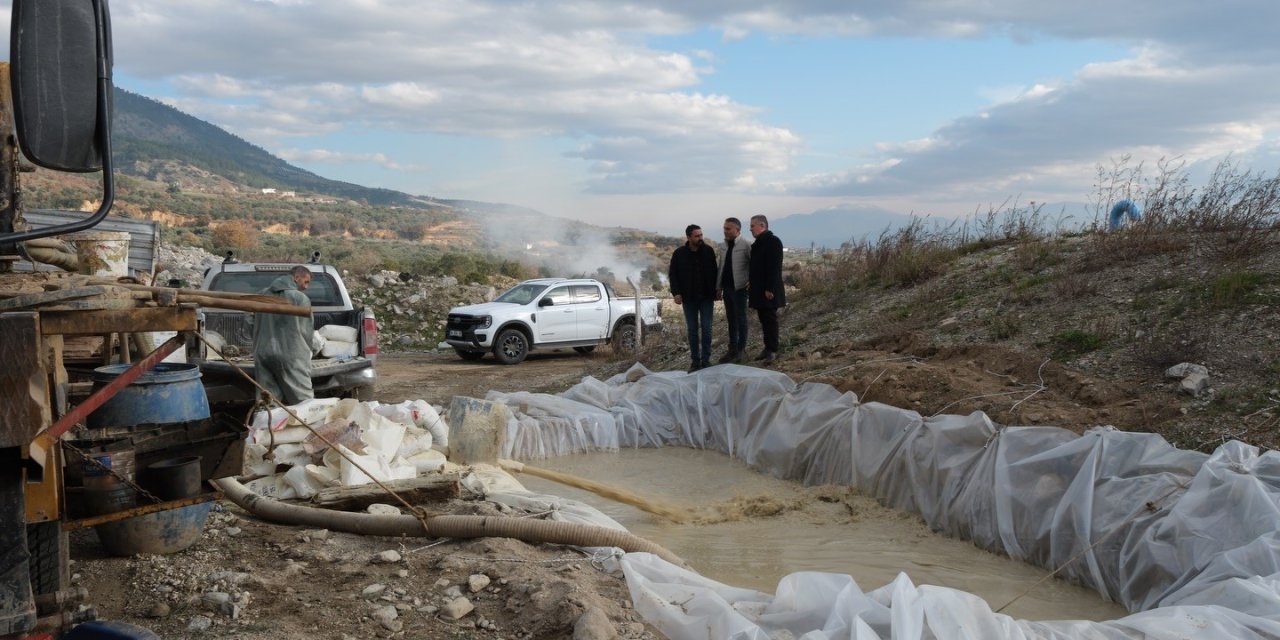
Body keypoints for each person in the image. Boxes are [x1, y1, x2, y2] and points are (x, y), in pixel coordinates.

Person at [253, 265, 315, 405]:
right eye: (306, 282)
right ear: (296, 277)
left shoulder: (261, 295)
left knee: (267, 402)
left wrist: (258, 337)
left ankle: (267, 426)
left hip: (263, 353)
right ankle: (308, 426)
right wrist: (311, 350)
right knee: (304, 402)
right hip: (292, 355)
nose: (306, 287)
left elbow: (248, 319)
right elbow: (307, 331)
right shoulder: (300, 298)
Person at [668, 224, 718, 372]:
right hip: (689, 298)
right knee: (692, 330)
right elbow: (673, 275)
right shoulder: (679, 254)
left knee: (707, 329)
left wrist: (717, 290)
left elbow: (714, 272)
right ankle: (695, 362)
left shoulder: (708, 251)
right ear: (689, 237)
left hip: (706, 297)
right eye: (697, 236)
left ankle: (706, 360)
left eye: (701, 235)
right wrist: (676, 293)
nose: (700, 238)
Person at [748, 214, 785, 363]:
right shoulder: (759, 243)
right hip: (759, 289)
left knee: (770, 320)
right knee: (764, 319)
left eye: (752, 226)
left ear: (762, 226)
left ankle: (772, 350)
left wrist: (770, 288)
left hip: (769, 290)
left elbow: (774, 267)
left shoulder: (773, 242)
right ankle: (767, 347)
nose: (750, 229)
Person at [716, 217, 751, 363]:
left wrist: (751, 281)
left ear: (737, 230)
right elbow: (721, 267)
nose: (725, 231)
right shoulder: (723, 246)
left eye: (728, 228)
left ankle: (741, 350)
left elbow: (753, 264)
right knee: (731, 320)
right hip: (727, 288)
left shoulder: (746, 245)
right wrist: (718, 287)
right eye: (724, 228)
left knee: (741, 319)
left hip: (740, 288)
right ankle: (732, 349)